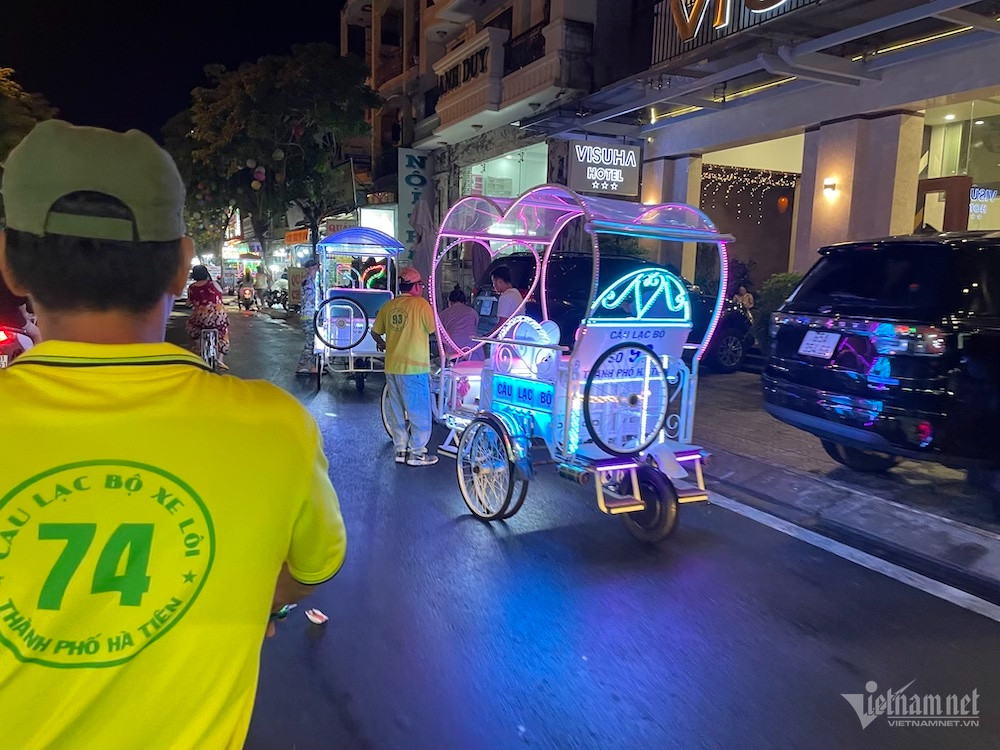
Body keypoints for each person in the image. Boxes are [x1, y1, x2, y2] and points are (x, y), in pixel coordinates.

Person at [0, 120, 347, 750]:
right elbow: (310, 568)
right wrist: (244, 603)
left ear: (10, 263)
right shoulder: (273, 427)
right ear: (181, 266)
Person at [371, 266, 438, 466]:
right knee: (419, 412)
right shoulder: (421, 305)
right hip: (415, 368)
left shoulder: (389, 306)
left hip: (392, 366)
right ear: (416, 287)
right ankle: (417, 453)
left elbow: (375, 332)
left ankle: (400, 450)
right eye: (421, 285)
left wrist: (383, 344)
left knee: (396, 410)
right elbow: (433, 331)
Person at [185, 264, 231, 370]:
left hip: (200, 317)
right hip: (217, 316)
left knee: (190, 326)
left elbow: (188, 302)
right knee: (223, 332)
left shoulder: (192, 287)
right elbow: (221, 293)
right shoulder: (213, 284)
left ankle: (198, 345)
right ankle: (220, 358)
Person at [438, 285, 481, 360]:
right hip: (474, 350)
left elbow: (440, 335)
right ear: (464, 302)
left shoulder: (443, 314)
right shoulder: (472, 312)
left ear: (449, 301)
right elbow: (475, 327)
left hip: (454, 353)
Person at [295, 257, 321, 374]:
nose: (317, 269)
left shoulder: (315, 281)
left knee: (316, 342)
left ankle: (313, 366)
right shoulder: (308, 282)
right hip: (309, 317)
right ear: (311, 269)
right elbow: (313, 299)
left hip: (314, 316)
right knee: (311, 342)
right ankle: (302, 365)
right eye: (315, 267)